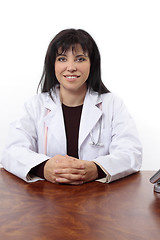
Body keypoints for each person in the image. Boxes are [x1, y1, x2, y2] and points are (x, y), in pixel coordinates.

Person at [1, 29, 142, 185]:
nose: (71, 67)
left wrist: (95, 169)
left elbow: (131, 153)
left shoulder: (112, 104)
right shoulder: (35, 106)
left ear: (92, 64)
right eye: (62, 59)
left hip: (98, 199)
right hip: (46, 199)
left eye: (80, 59)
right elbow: (11, 152)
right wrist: (44, 167)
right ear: (52, 64)